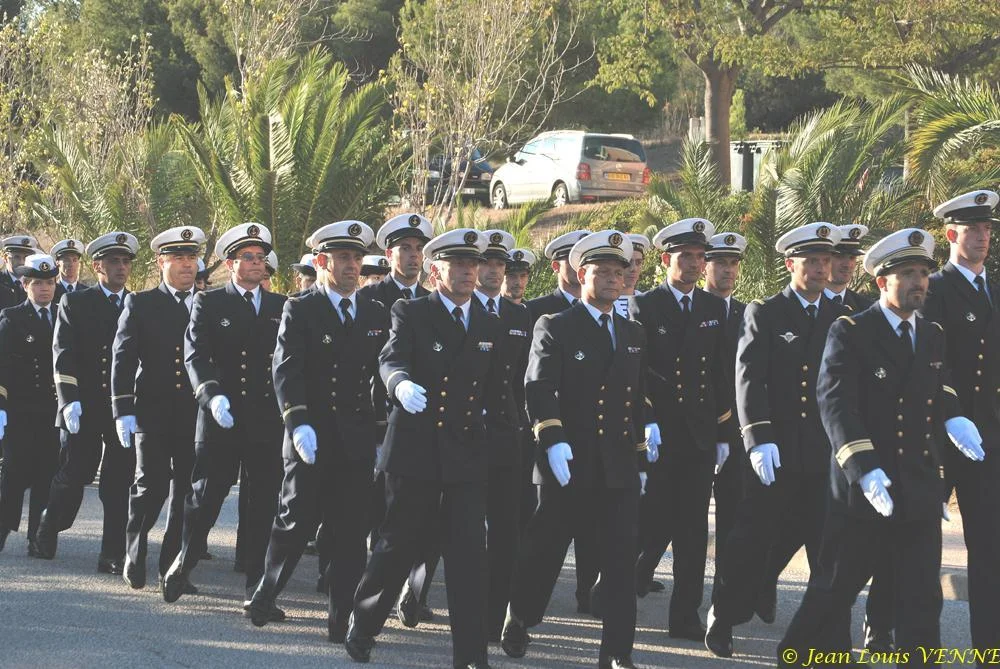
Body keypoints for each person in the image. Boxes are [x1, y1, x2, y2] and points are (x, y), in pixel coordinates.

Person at [778, 227, 985, 667]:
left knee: (922, 598)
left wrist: (954, 416)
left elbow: (937, 385)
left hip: (917, 487)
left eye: (923, 273)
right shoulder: (852, 330)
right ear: (881, 282)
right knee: (834, 591)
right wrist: (865, 468)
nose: (918, 282)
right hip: (864, 490)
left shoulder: (930, 333)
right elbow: (834, 403)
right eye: (907, 273)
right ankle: (792, 658)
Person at [345, 228, 505, 669]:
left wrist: (513, 438)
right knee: (398, 543)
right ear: (437, 271)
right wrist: (400, 385)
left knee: (469, 555)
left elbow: (497, 390)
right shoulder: (412, 311)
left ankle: (471, 656)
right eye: (459, 265)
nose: (470, 273)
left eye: (473, 265)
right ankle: (364, 624)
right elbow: (390, 358)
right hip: (416, 447)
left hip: (466, 451)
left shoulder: (491, 321)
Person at [501, 230, 649, 669]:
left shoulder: (634, 332)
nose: (611, 279)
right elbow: (538, 386)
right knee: (545, 548)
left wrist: (640, 455)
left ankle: (618, 652)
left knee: (622, 559)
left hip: (617, 465)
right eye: (601, 271)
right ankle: (520, 615)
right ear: (581, 274)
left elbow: (634, 398)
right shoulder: (556, 326)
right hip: (567, 459)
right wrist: (552, 438)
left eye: (618, 272)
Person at [706, 222, 847, 657]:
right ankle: (724, 616)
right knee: (751, 542)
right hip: (776, 453)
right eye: (812, 261)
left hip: (824, 457)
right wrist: (757, 437)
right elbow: (748, 379)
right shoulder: (765, 313)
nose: (822, 269)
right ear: (791, 264)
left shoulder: (841, 317)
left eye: (826, 260)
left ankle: (832, 647)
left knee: (829, 556)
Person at [248, 220, 390, 643]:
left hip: (355, 440)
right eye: (344, 258)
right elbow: (285, 369)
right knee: (296, 520)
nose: (352, 266)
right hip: (310, 434)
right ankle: (267, 589)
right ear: (323, 262)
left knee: (350, 534)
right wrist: (296, 421)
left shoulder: (374, 312)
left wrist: (382, 432)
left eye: (357, 258)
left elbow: (378, 375)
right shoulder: (301, 307)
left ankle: (339, 619)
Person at [160, 223, 285, 608]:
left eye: (261, 258)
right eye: (248, 257)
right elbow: (195, 355)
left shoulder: (283, 307)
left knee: (264, 501)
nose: (257, 264)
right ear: (231, 263)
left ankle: (257, 587)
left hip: (264, 419)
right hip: (221, 415)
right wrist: (211, 396)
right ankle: (185, 559)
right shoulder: (210, 303)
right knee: (206, 495)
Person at [631, 219, 731, 642]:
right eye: (685, 256)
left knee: (692, 530)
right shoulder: (646, 306)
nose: (693, 264)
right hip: (659, 434)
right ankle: (623, 579)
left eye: (698, 257)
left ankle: (685, 616)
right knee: (653, 523)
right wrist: (647, 419)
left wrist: (725, 432)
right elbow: (636, 373)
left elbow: (722, 372)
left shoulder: (712, 308)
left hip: (699, 436)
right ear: (665, 259)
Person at [920, 189, 1000, 661]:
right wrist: (952, 414)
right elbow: (933, 361)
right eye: (974, 230)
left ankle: (989, 646)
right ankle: (908, 638)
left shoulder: (995, 288)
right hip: (939, 433)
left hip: (988, 436)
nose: (984, 237)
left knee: (989, 546)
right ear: (952, 235)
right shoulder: (935, 289)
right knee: (920, 545)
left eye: (988, 229)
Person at [33, 233, 140, 571]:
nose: (121, 267)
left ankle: (111, 553)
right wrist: (69, 400)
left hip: (122, 406)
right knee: (75, 473)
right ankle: (49, 526)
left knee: (119, 481)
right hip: (86, 404)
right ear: (97, 266)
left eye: (125, 262)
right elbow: (62, 354)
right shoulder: (76, 302)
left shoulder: (137, 304)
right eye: (113, 262)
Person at [112, 226, 205, 595]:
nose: (187, 265)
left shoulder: (207, 304)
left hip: (193, 414)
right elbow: (122, 359)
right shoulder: (141, 303)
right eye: (178, 258)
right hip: (151, 410)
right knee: (150, 486)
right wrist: (122, 410)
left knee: (187, 491)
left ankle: (173, 567)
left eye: (192, 258)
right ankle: (134, 552)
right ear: (161, 261)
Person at [360, 212, 436, 622]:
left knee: (423, 516)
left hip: (420, 423)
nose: (412, 257)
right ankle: (376, 589)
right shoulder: (370, 300)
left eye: (418, 249)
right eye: (405, 249)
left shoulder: (431, 301)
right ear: (389, 254)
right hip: (375, 419)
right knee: (381, 514)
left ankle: (414, 593)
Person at [524, 228, 600, 614]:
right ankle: (521, 613)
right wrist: (547, 435)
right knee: (548, 537)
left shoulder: (619, 314)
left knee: (597, 535)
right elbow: (531, 381)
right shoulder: (540, 313)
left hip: (603, 445)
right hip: (553, 438)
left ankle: (591, 595)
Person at [472, 229, 531, 641]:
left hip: (507, 437)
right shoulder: (454, 309)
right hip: (462, 435)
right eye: (486, 263)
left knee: (507, 532)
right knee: (455, 532)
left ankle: (495, 620)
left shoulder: (518, 317)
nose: (494, 272)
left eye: (500, 265)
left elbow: (526, 381)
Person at [0, 254, 61, 555]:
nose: (45, 289)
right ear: (25, 284)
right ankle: (2, 528)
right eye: (38, 283)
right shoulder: (11, 318)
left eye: (49, 283)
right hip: (20, 413)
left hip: (51, 412)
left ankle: (39, 537)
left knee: (46, 476)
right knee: (13, 474)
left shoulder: (64, 316)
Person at [702, 232, 747, 604]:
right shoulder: (694, 310)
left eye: (734, 263)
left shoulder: (748, 313)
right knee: (672, 521)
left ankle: (725, 597)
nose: (729, 270)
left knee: (733, 520)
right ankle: (637, 571)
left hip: (739, 432)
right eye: (721, 263)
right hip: (698, 429)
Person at [825, 224, 874, 312]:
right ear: (824, 259)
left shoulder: (866, 307)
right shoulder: (809, 303)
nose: (847, 264)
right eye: (840, 256)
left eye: (852, 257)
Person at [614, 233, 649, 318]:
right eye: (628, 262)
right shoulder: (602, 303)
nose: (634, 269)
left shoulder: (647, 302)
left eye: (638, 262)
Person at [0, 235, 36, 309]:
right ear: (6, 258)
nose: (21, 262)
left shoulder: (35, 282)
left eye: (25, 257)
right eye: (17, 257)